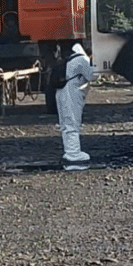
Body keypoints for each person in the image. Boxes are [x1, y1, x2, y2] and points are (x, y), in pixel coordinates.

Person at [55, 42, 97, 170]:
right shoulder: (81, 59)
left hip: (63, 92)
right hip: (71, 93)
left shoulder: (71, 58)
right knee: (72, 123)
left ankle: (70, 152)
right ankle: (74, 155)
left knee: (66, 123)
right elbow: (93, 76)